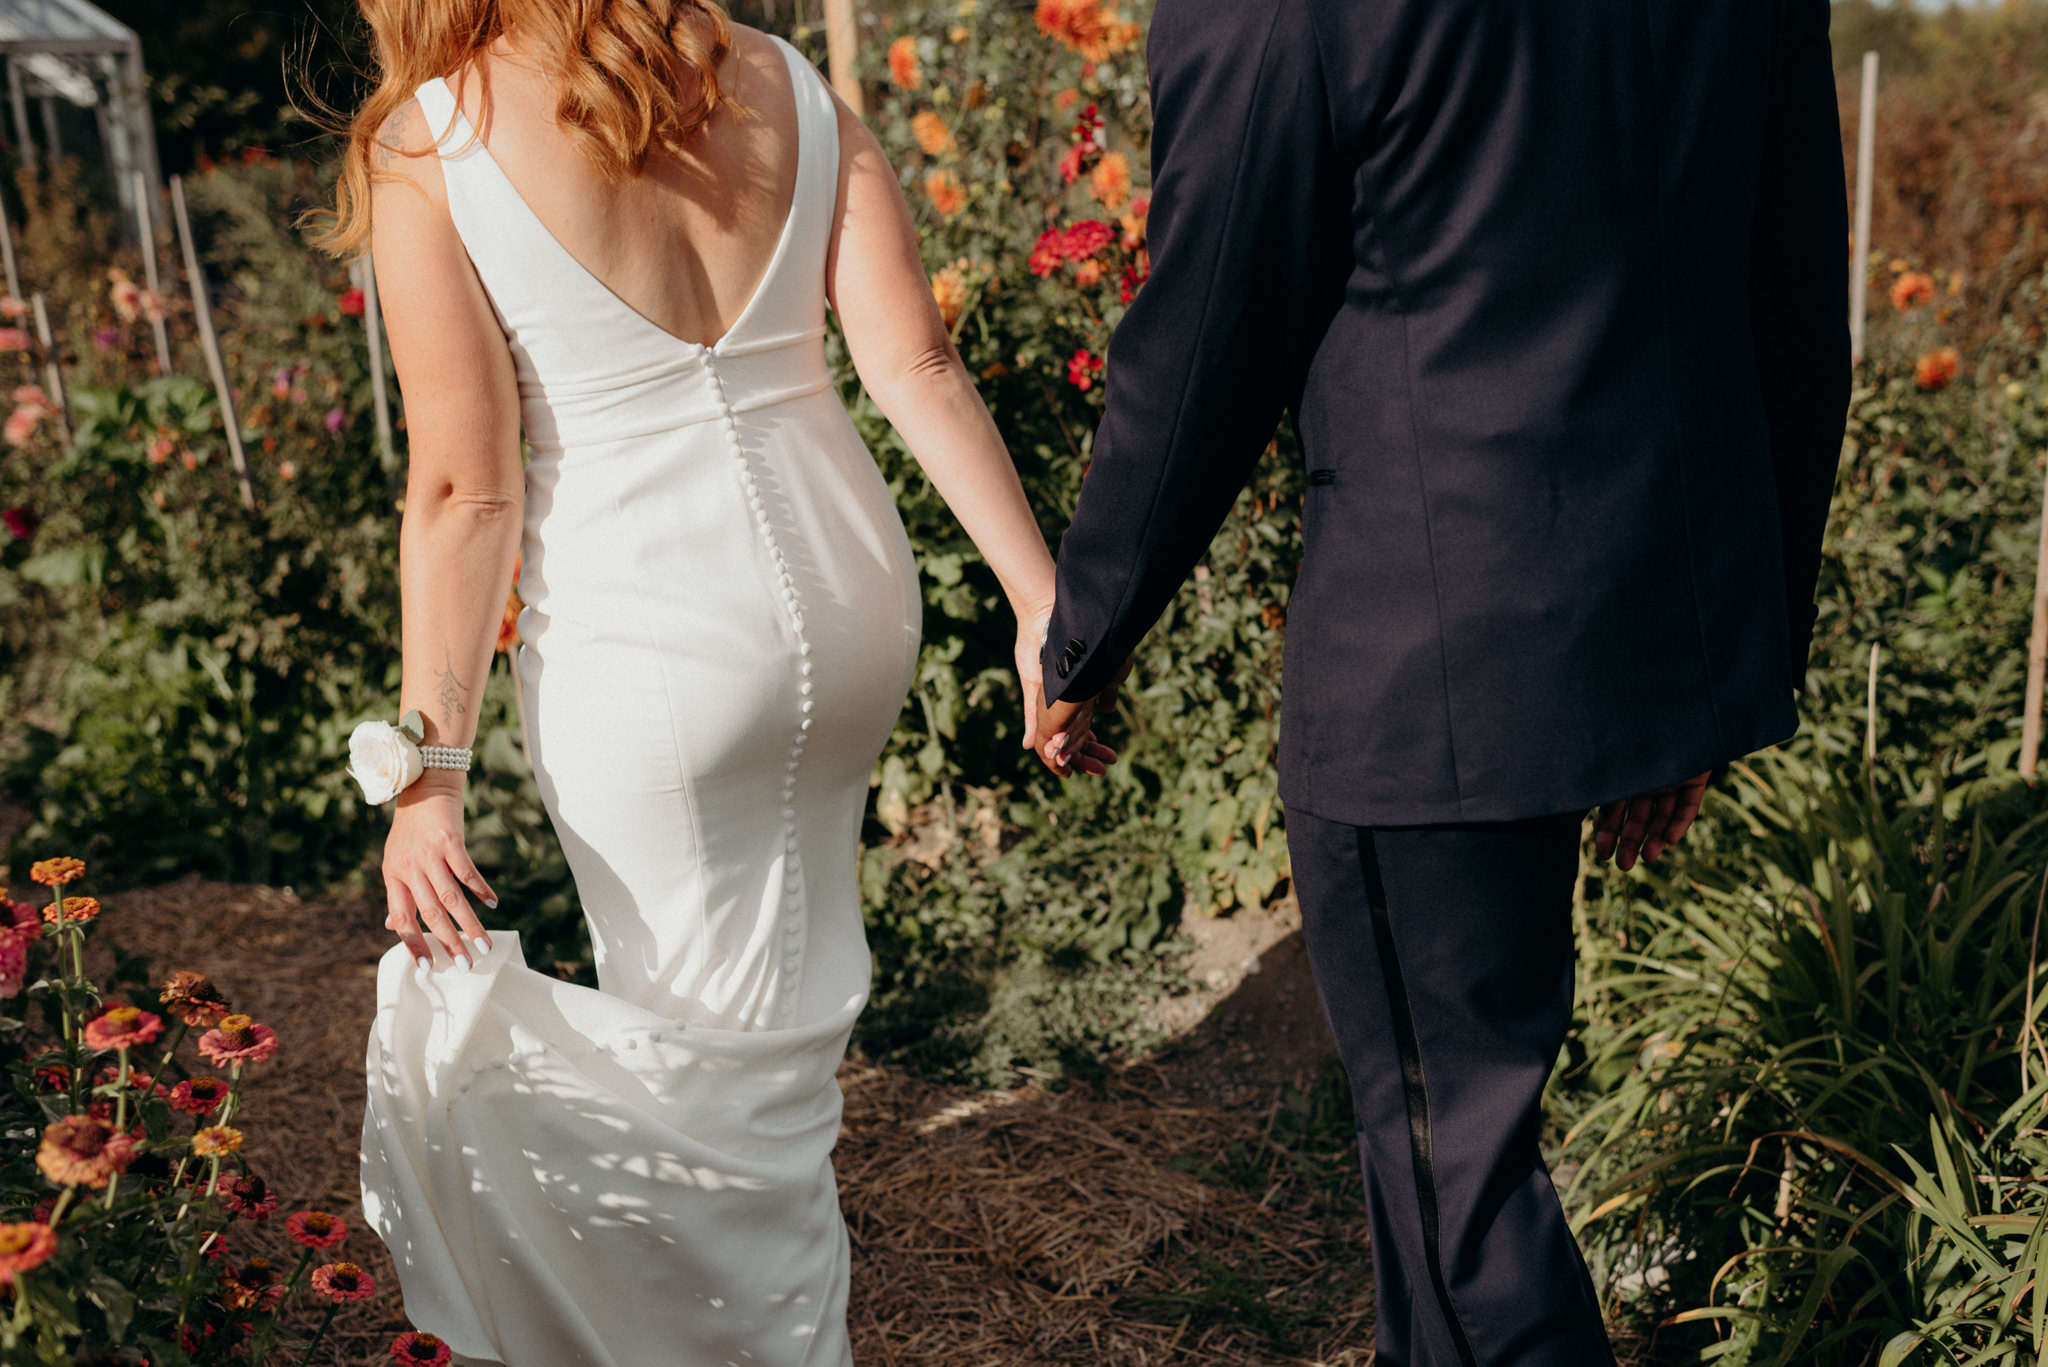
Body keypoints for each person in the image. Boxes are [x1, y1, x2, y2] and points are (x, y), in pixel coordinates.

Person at [1032, 1, 1851, 1363]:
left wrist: (1086, 632)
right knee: (1456, 1171)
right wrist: (1701, 671)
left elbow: (1207, 332)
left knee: (1456, 1190)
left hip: (1429, 667)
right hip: (1642, 615)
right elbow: (1789, 305)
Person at [316, 2, 1111, 1362]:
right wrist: (1044, 601)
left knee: (709, 1082)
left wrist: (426, 769)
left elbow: (464, 486)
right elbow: (912, 361)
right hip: (851, 596)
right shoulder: (785, 78)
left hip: (656, 647)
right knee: (769, 1057)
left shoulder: (429, 136)